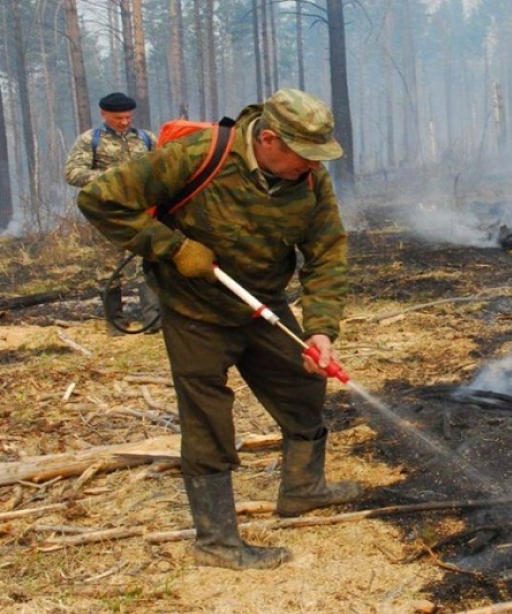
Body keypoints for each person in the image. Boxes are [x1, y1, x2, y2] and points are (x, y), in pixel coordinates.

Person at [76, 89, 361, 570]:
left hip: (262, 304)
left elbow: (327, 251)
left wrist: (321, 329)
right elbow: (99, 199)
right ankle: (217, 543)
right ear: (269, 139)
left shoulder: (310, 178)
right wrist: (170, 246)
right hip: (196, 311)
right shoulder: (194, 156)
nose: (312, 167)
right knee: (208, 421)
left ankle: (303, 489)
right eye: (304, 157)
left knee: (302, 387)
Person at [65, 92, 161, 335]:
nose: (124, 122)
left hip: (143, 211)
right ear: (103, 114)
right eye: (119, 117)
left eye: (128, 117)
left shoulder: (146, 138)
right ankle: (115, 324)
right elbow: (73, 173)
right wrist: (112, 177)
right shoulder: (90, 140)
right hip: (107, 212)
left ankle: (153, 321)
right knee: (108, 265)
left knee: (148, 262)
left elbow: (163, 166)